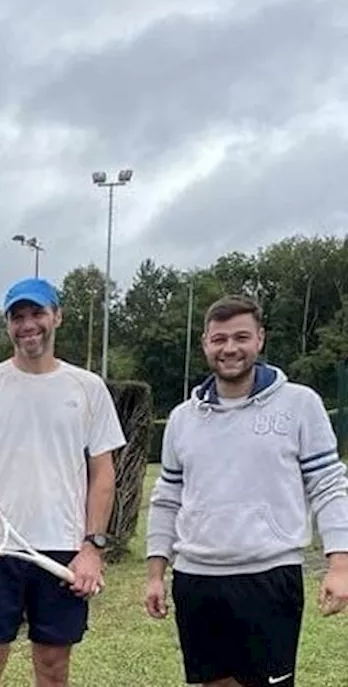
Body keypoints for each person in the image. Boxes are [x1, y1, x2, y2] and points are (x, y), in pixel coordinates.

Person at [145, 294, 348, 687]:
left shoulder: (300, 404)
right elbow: (167, 497)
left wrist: (340, 565)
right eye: (219, 339)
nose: (230, 348)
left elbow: (328, 486)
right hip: (196, 580)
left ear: (260, 339)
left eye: (241, 337)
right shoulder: (182, 419)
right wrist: (156, 574)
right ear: (205, 343)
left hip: (268, 577)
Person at [0, 277, 125, 687]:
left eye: (37, 313)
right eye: (18, 316)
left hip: (63, 548)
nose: (28, 325)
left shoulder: (88, 388)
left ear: (57, 316)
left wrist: (91, 547)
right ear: (8, 324)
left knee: (52, 667)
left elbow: (103, 472)